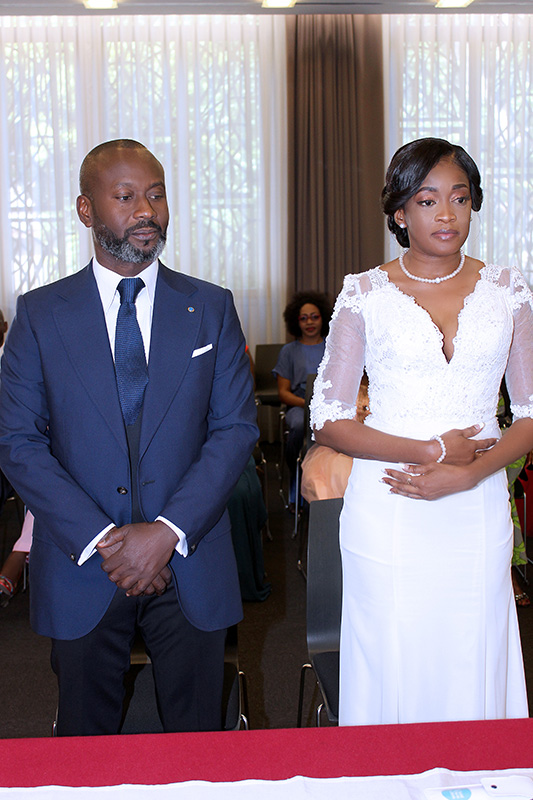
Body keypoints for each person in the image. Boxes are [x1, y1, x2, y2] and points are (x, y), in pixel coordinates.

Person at [0, 139, 258, 736]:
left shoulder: (211, 307)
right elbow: (17, 441)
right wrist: (105, 542)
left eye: (156, 195)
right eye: (125, 197)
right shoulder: (39, 314)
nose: (146, 210)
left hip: (190, 557)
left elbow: (235, 429)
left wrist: (166, 533)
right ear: (86, 209)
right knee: (85, 748)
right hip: (82, 564)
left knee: (198, 747)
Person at [310, 137, 533, 726]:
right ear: (400, 213)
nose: (447, 214)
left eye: (460, 198)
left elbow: (531, 413)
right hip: (391, 503)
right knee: (395, 649)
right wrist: (430, 451)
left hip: (477, 505)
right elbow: (327, 419)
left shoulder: (508, 290)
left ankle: (477, 769)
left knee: (472, 645)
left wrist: (469, 474)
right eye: (428, 200)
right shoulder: (364, 293)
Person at [273, 291, 332, 508]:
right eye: (304, 318)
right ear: (296, 322)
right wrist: (307, 404)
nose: (309, 322)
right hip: (299, 405)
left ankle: (328, 486)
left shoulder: (333, 348)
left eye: (314, 317)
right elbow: (283, 393)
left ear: (323, 318)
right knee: (298, 424)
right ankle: (296, 478)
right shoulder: (288, 351)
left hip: (329, 407)